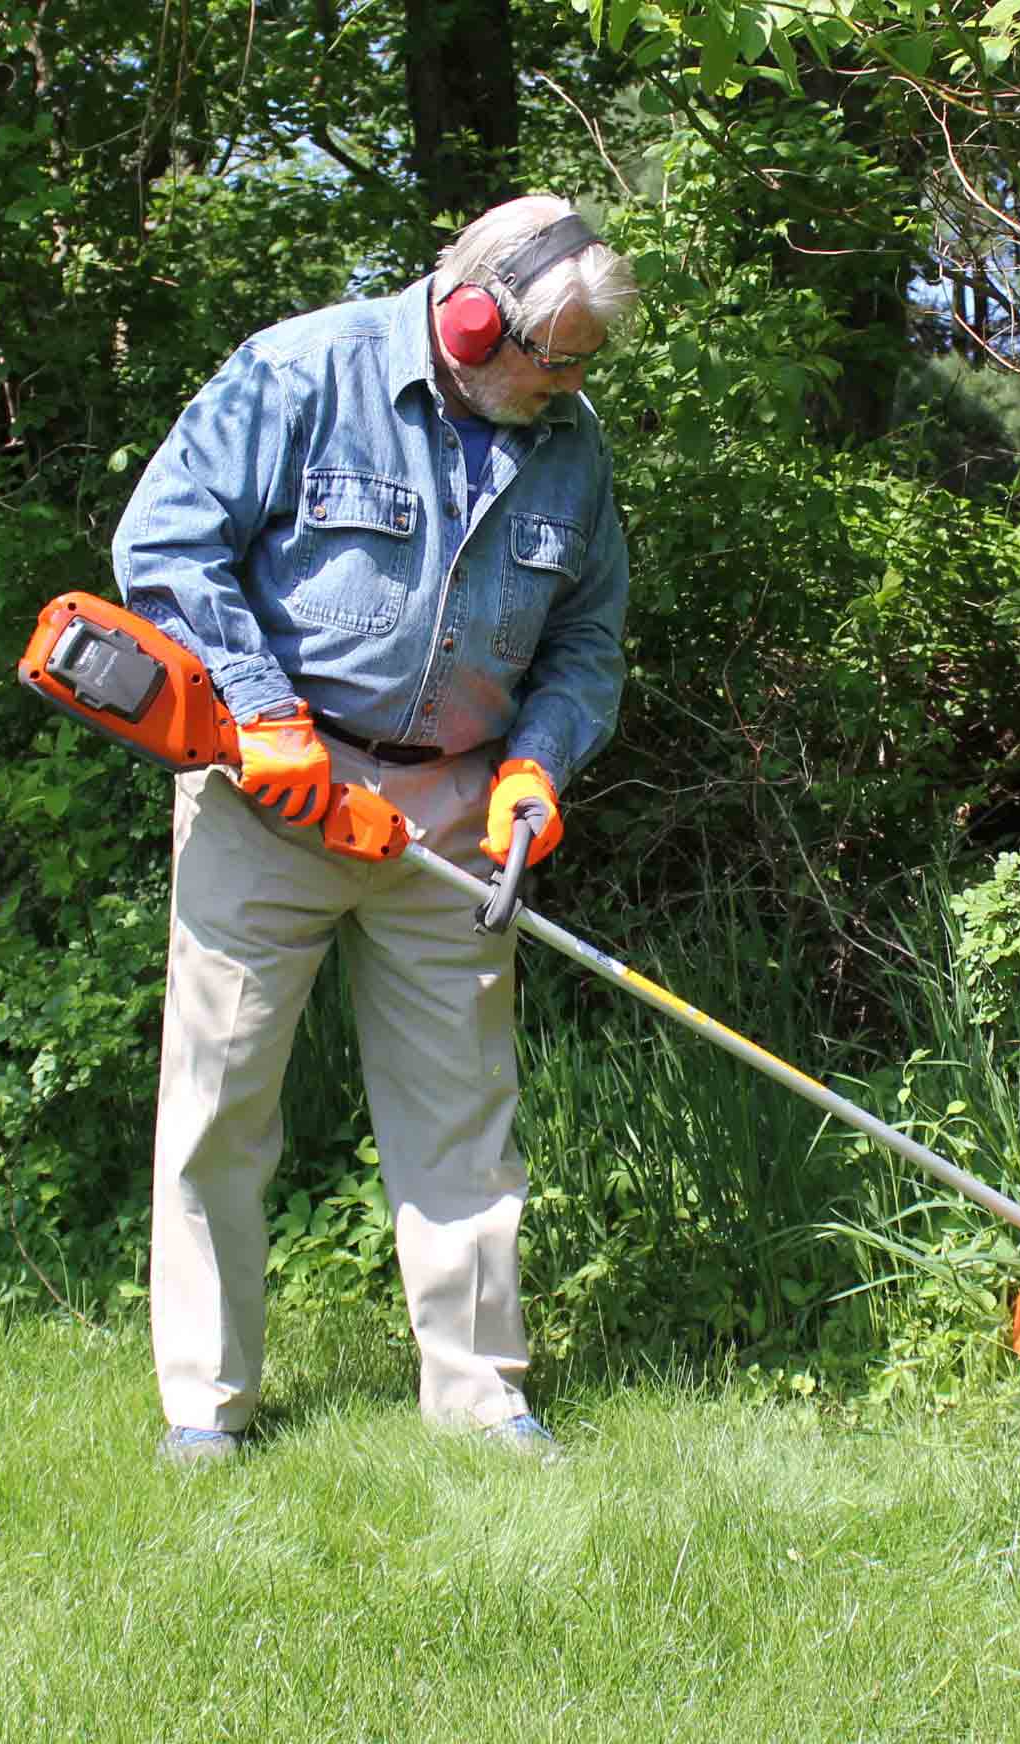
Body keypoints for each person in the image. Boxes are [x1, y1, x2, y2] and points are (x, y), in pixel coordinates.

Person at [111, 195, 638, 1465]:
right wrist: (257, 711)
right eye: (547, 355)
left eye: (583, 363)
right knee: (220, 1100)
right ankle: (206, 1405)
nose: (562, 384)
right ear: (467, 315)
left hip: (453, 814)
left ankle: (478, 1395)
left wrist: (534, 769)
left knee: (462, 1110)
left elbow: (583, 642)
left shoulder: (568, 443)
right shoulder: (302, 371)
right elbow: (164, 540)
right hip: (272, 795)